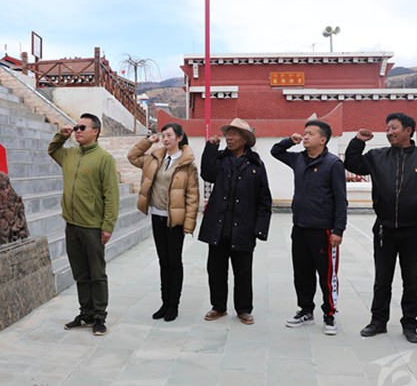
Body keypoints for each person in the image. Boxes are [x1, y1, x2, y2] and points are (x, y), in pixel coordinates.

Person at [344, 112, 417, 343]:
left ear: (408, 131)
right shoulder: (377, 156)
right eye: (387, 128)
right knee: (382, 279)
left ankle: (410, 324)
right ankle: (378, 321)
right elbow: (352, 163)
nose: (389, 132)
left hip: (413, 229)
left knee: (412, 280)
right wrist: (358, 141)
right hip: (384, 228)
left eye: (394, 128)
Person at [271, 120, 347, 335]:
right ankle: (305, 310)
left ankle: (329, 314)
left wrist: (338, 230)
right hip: (300, 226)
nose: (305, 136)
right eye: (304, 133)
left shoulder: (333, 164)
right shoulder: (298, 159)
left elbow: (341, 199)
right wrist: (289, 141)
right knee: (302, 272)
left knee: (327, 275)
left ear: (323, 140)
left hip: (323, 229)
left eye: (310, 134)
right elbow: (276, 151)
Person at [48, 112, 119, 336]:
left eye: (82, 128)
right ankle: (85, 313)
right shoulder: (69, 155)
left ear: (95, 132)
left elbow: (111, 195)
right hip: (72, 224)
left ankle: (99, 316)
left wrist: (108, 226)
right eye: (76, 127)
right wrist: (61, 136)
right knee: (80, 273)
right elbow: (52, 150)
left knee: (97, 273)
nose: (77, 131)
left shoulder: (104, 159)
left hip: (92, 226)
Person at [199, 118, 272, 325]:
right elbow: (207, 174)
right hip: (218, 226)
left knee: (243, 272)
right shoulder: (220, 159)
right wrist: (210, 148)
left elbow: (264, 199)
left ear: (245, 139)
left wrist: (259, 229)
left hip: (243, 228)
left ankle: (244, 309)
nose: (229, 138)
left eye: (234, 134)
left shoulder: (256, 165)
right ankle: (218, 307)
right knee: (216, 270)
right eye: (227, 134)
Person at [128, 122, 199, 322]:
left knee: (174, 262)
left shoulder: (187, 165)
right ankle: (164, 303)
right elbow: (132, 157)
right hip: (157, 216)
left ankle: (173, 305)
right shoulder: (155, 158)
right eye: (163, 135)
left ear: (179, 137)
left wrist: (189, 224)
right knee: (163, 261)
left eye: (169, 135)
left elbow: (192, 197)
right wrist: (147, 141)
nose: (165, 139)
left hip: (175, 220)